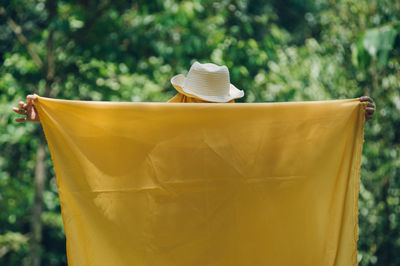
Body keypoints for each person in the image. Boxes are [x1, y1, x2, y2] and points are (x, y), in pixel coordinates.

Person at [12, 62, 375, 121]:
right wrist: (49, 115)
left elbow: (300, 138)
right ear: (184, 98)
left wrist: (348, 116)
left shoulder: (247, 129)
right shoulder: (162, 124)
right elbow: (106, 130)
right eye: (199, 102)